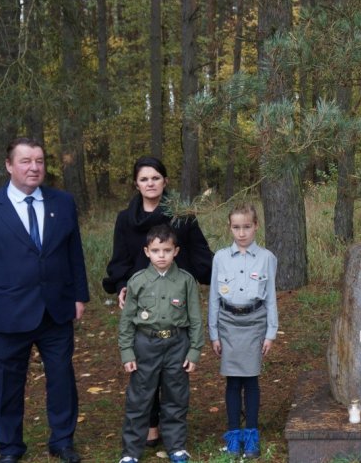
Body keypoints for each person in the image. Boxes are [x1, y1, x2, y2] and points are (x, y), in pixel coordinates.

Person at [103, 156, 213, 446]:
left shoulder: (182, 215)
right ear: (136, 184)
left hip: (175, 296)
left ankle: (173, 426)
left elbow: (200, 253)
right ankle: (150, 424)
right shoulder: (125, 219)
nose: (150, 183)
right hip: (142, 300)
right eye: (144, 179)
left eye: (155, 178)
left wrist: (221, 274)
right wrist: (122, 285)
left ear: (165, 181)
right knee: (144, 366)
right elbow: (120, 260)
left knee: (173, 370)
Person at [0, 138, 89, 463]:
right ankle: (9, 447)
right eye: (25, 161)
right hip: (7, 312)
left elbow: (73, 252)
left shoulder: (62, 202)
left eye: (39, 161)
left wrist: (80, 295)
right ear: (9, 165)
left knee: (62, 378)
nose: (34, 167)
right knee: (7, 384)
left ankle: (62, 441)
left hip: (56, 309)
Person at [118, 225, 204, 463]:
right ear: (147, 252)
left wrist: (194, 350)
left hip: (177, 345)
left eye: (167, 250)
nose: (162, 255)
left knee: (176, 396)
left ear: (176, 251)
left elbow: (195, 318)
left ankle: (176, 446)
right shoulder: (137, 281)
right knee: (139, 398)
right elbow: (127, 322)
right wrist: (127, 353)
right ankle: (130, 452)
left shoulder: (186, 281)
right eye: (156, 250)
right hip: (145, 345)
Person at [208, 203, 278, 459]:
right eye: (236, 227)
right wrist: (214, 332)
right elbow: (214, 298)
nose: (241, 233)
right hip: (227, 323)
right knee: (232, 380)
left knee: (250, 379)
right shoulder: (220, 258)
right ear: (230, 228)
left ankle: (251, 433)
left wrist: (271, 332)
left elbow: (270, 297)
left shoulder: (267, 258)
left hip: (254, 323)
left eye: (246, 227)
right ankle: (233, 434)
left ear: (256, 226)